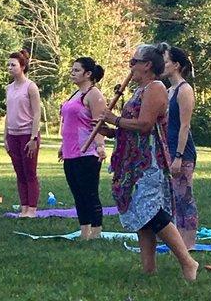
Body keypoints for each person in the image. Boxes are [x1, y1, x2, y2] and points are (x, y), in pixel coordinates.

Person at [99, 44, 199, 281]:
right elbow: (132, 128)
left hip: (149, 162)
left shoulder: (155, 88)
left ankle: (188, 262)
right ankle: (148, 269)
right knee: (140, 215)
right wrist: (112, 130)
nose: (130, 66)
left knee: (151, 212)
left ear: (147, 65)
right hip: (132, 161)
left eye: (133, 62)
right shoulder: (138, 90)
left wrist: (115, 118)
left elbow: (145, 125)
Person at [59, 57, 107, 240]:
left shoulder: (94, 95)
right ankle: (84, 231)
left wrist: (101, 146)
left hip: (87, 152)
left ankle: (96, 232)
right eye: (72, 69)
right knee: (77, 193)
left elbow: (99, 123)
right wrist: (63, 146)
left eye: (77, 70)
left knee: (89, 193)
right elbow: (69, 123)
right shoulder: (75, 94)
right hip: (71, 152)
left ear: (88, 74)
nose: (73, 73)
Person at [163, 45, 198, 250]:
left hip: (182, 152)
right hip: (168, 151)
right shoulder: (168, 90)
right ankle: (179, 242)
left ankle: (189, 244)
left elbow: (185, 126)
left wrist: (178, 156)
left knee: (185, 197)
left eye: (166, 61)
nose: (163, 65)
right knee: (173, 198)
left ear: (176, 65)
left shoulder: (184, 90)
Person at [4, 50, 41, 218]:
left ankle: (32, 209)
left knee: (29, 172)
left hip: (27, 134)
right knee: (19, 173)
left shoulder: (30, 87)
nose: (10, 67)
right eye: (9, 64)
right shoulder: (9, 88)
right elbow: (8, 112)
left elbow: (36, 114)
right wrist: (5, 137)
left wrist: (33, 138)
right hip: (13, 135)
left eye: (14, 65)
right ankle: (24, 207)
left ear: (23, 67)